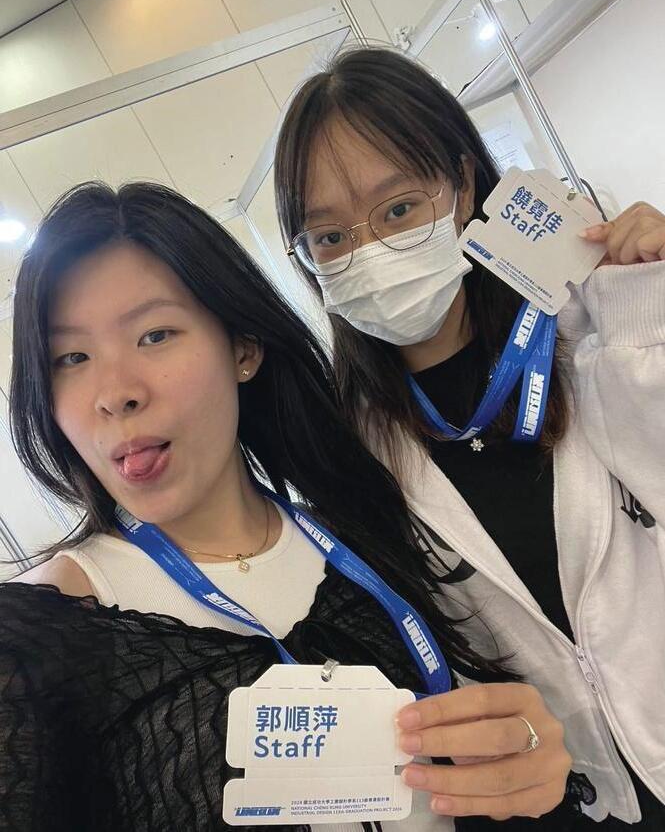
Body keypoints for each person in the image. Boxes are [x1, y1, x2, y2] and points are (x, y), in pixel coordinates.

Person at [0, 181, 570, 832]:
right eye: (70, 357)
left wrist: (528, 762)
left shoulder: (365, 539)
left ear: (243, 348)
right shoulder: (36, 644)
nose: (114, 393)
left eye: (154, 335)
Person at [273, 46, 665, 829]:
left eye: (396, 210)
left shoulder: (590, 330)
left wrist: (646, 307)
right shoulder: (347, 457)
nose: (369, 253)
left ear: (460, 187)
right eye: (330, 237)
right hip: (563, 810)